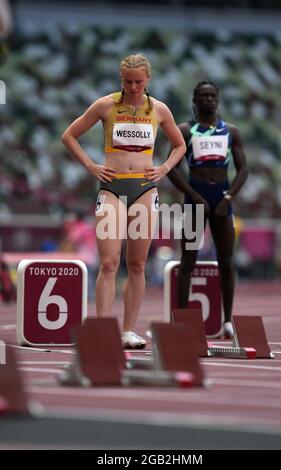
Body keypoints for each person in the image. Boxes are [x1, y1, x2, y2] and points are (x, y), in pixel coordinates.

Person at [61, 54, 186, 349]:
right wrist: (91, 166)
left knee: (138, 264)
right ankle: (104, 328)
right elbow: (68, 136)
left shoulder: (159, 109)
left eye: (138, 82)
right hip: (112, 189)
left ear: (148, 80)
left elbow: (179, 144)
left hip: (144, 190)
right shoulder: (105, 105)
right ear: (121, 79)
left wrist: (165, 168)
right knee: (107, 262)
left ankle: (129, 330)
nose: (133, 87)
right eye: (128, 81)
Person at [168, 81, 248, 338]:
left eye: (213, 96)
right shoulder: (186, 130)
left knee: (226, 261)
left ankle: (227, 321)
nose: (209, 100)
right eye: (204, 96)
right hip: (195, 198)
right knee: (188, 261)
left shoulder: (230, 131)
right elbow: (172, 168)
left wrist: (228, 197)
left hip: (222, 199)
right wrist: (193, 196)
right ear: (195, 100)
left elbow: (243, 169)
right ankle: (181, 320)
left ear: (219, 99)